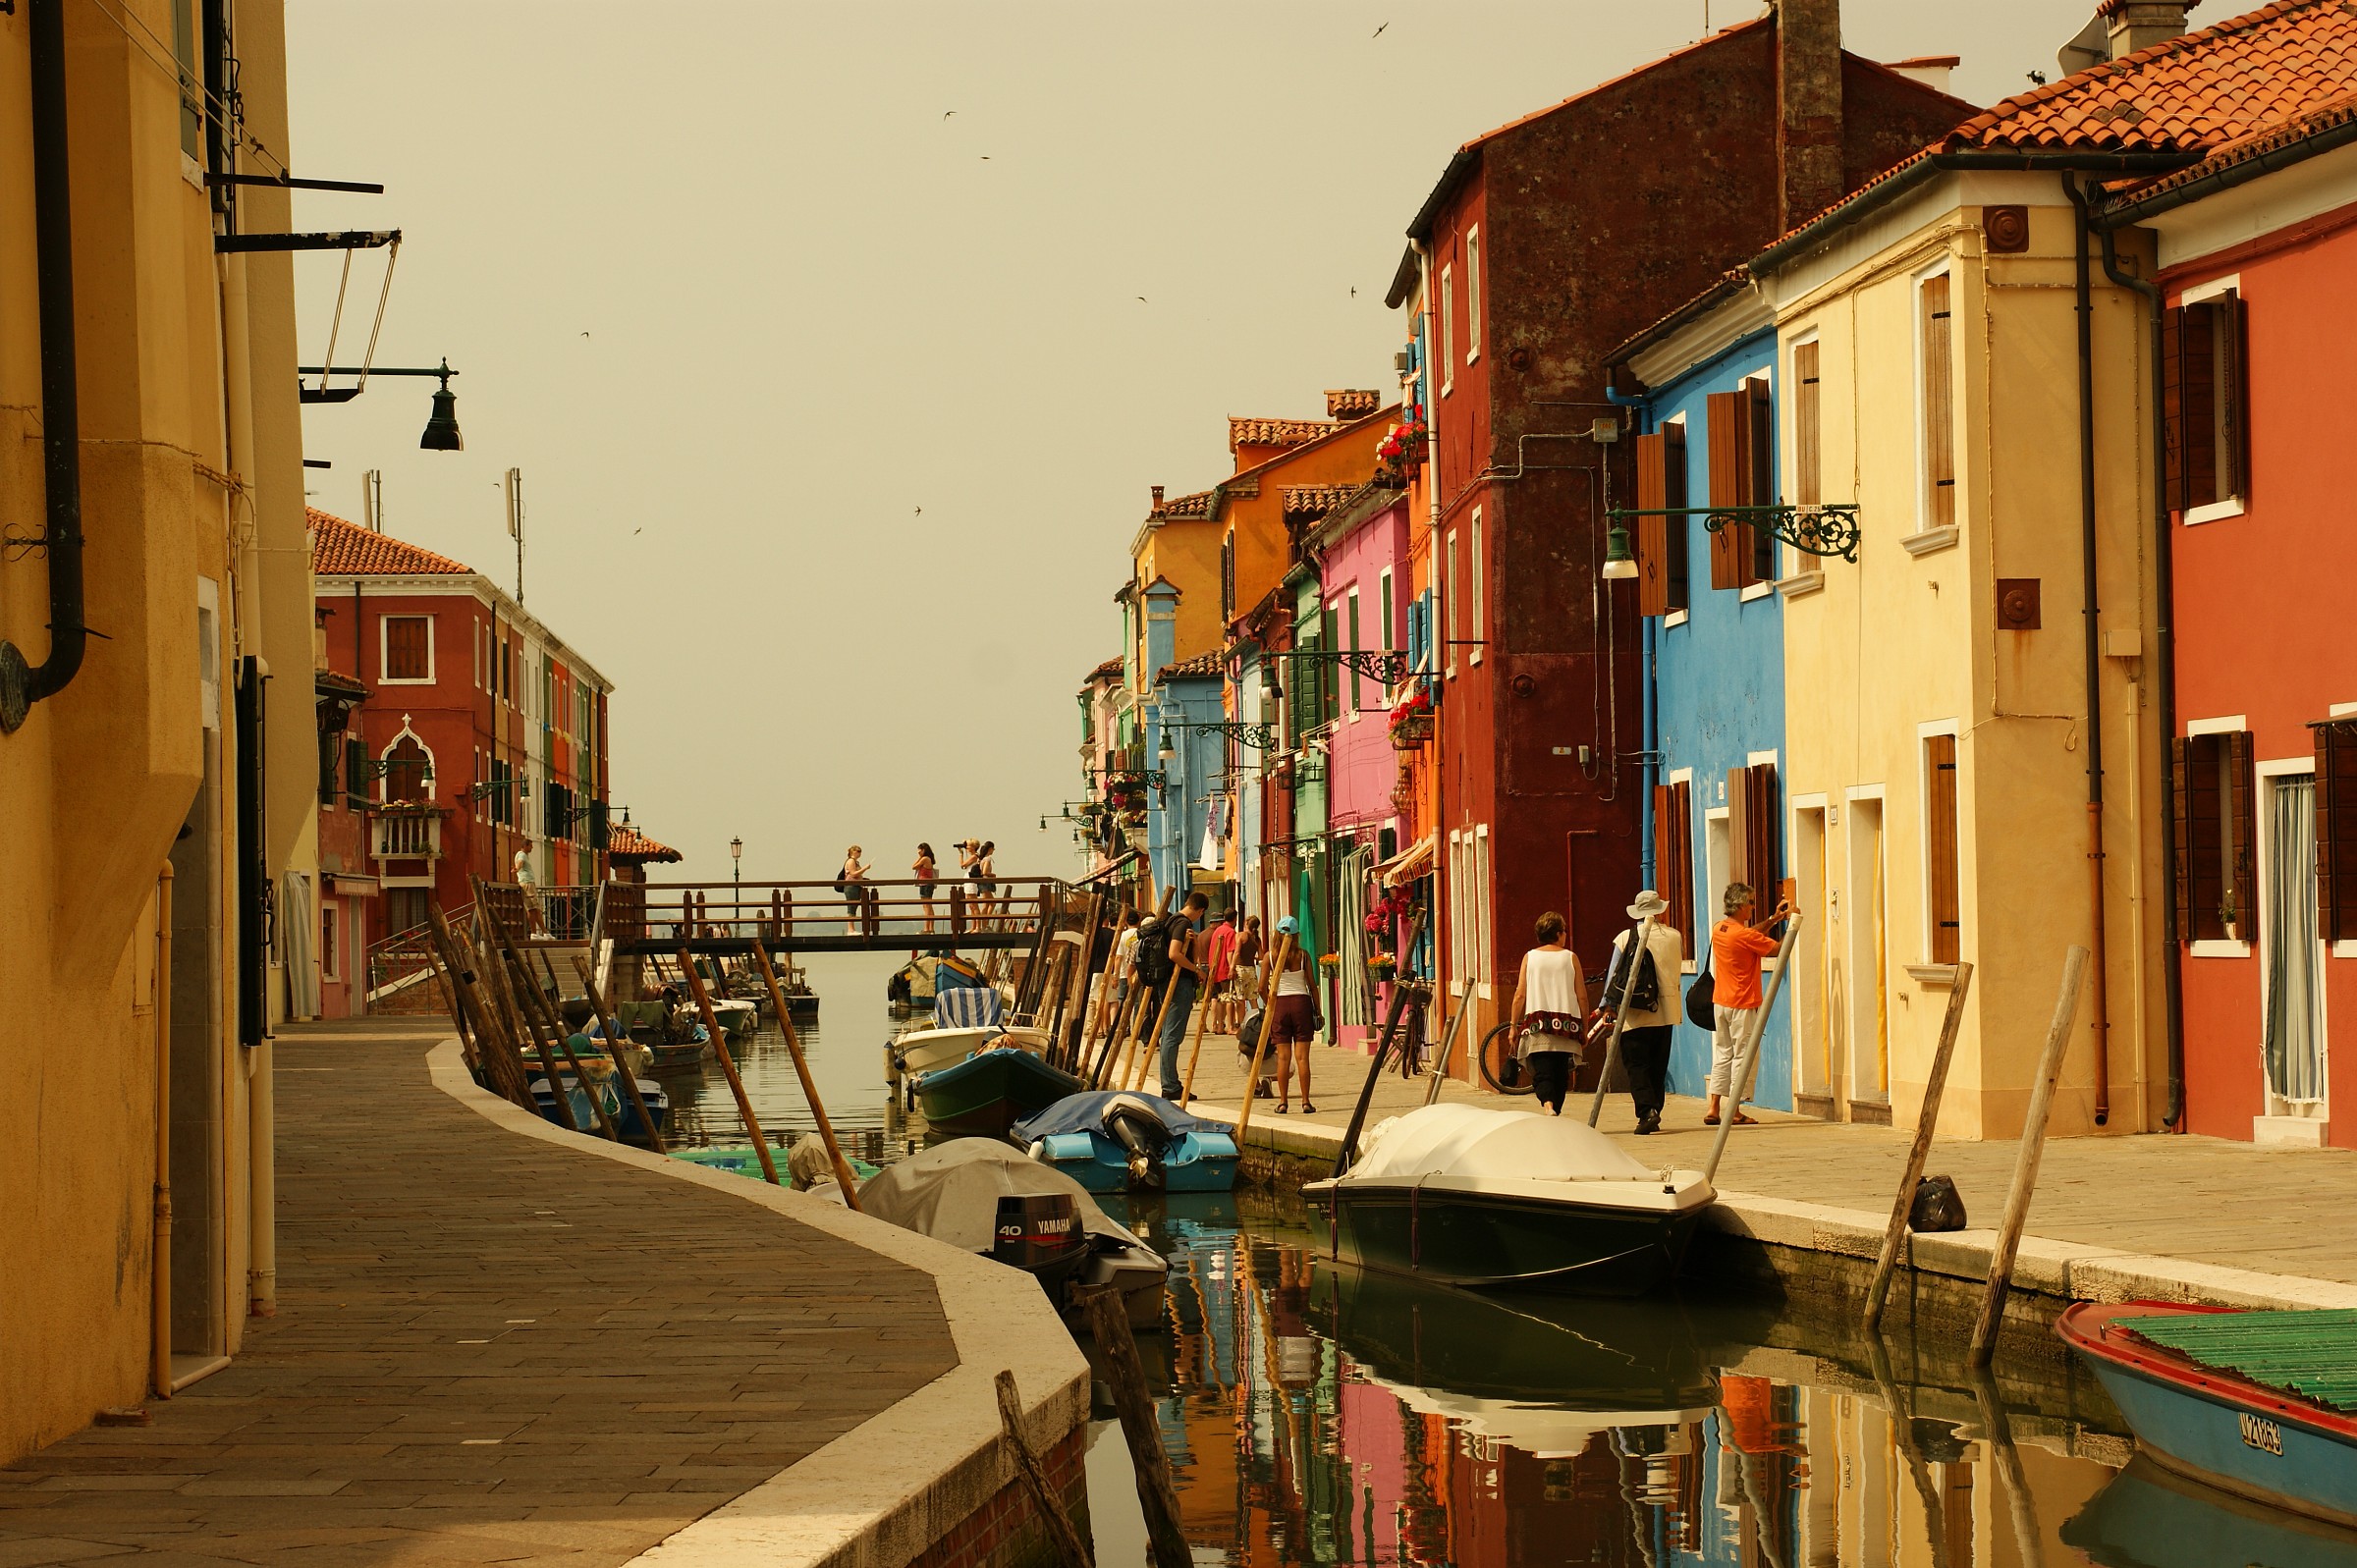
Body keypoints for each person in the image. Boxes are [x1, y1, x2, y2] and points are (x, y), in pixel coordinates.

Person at [1708, 881, 1792, 1127]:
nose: (1753, 907)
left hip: (1720, 1002)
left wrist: (1774, 919)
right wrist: (1792, 924)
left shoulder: (1720, 928)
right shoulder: (1742, 935)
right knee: (1743, 1057)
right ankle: (1734, 1111)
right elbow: (1777, 949)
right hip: (1741, 1003)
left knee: (1722, 1055)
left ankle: (1714, 1107)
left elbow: (1750, 936)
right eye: (1751, 903)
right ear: (1740, 906)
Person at [1600, 891, 1683, 1134]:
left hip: (1634, 1011)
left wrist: (1608, 1006)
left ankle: (1647, 1111)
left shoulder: (1625, 938)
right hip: (1666, 1010)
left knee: (1637, 1064)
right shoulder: (1674, 936)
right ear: (1659, 910)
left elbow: (1614, 974)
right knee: (1658, 1063)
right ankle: (1655, 1108)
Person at [1508, 911, 1590, 1115]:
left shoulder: (1530, 957)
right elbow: (1582, 997)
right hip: (1566, 1026)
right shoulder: (1571, 958)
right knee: (1561, 1072)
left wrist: (1513, 1025)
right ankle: (1555, 1108)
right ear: (1558, 933)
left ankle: (1547, 1104)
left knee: (1542, 1070)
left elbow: (1519, 995)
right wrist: (1584, 1028)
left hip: (1538, 1025)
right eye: (1564, 931)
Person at [1156, 892, 1210, 1102]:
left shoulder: (1172, 921)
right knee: (1172, 1035)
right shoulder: (1181, 923)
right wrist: (1197, 971)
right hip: (1177, 984)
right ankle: (1169, 1085)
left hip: (1170, 983)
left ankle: (1170, 1082)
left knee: (1170, 1034)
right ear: (1200, 910)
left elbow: (1188, 953)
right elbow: (1174, 953)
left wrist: (1194, 942)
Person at [1266, 916, 1319, 1114]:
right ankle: (1305, 1102)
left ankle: (1283, 1102)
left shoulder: (1269, 957)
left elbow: (1262, 987)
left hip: (1280, 1004)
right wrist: (1318, 1011)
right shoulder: (1303, 956)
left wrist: (1271, 1004)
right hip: (1302, 1004)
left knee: (1283, 1058)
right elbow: (1312, 985)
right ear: (1296, 935)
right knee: (1303, 1058)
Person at [1203, 909, 1238, 1032]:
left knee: (1217, 999)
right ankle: (1230, 1026)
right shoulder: (1230, 932)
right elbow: (1230, 952)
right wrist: (1232, 968)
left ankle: (1217, 1025)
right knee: (1229, 998)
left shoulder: (1217, 930)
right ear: (1234, 919)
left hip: (1214, 968)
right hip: (1224, 969)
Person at [839, 845, 870, 935]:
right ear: (853, 852)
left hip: (856, 886)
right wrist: (865, 868)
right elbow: (853, 874)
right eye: (858, 851)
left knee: (854, 907)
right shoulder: (851, 861)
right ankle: (850, 930)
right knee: (851, 908)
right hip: (851, 886)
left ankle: (852, 929)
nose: (860, 853)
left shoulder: (856, 862)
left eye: (860, 851)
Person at [913, 843, 939, 934]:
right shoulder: (928, 859)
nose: (918, 852)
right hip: (925, 884)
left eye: (920, 850)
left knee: (926, 907)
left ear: (924, 850)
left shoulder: (925, 859)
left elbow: (914, 866)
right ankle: (930, 928)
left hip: (926, 884)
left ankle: (927, 929)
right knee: (928, 906)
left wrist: (920, 857)